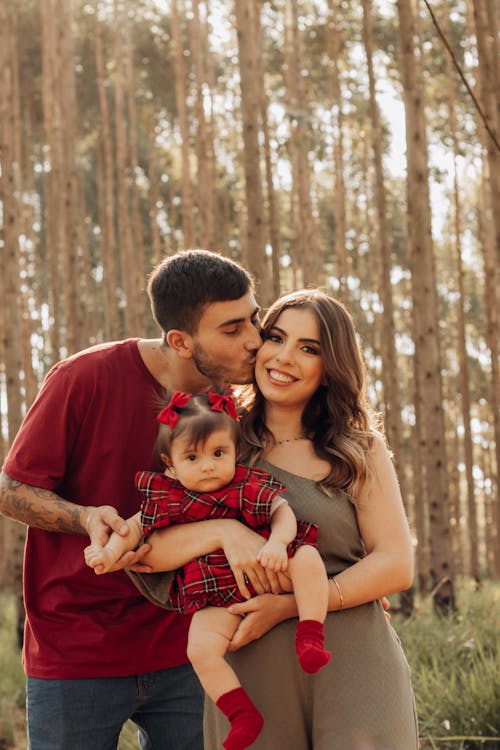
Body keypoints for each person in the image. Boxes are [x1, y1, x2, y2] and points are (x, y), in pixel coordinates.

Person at [0, 249, 278, 750]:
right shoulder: (81, 379)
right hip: (77, 649)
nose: (256, 341)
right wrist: (84, 517)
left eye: (253, 318)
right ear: (179, 340)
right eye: (233, 329)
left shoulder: (233, 403)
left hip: (192, 647)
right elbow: (11, 491)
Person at [130, 289, 419, 750]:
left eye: (309, 348)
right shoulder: (217, 442)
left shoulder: (358, 450)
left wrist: (291, 604)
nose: (284, 357)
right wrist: (225, 531)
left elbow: (395, 564)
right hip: (250, 669)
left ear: (331, 369)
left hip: (351, 659)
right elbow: (149, 551)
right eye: (276, 337)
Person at [85, 389, 331, 750]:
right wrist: (107, 554)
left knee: (308, 558)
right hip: (216, 597)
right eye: (192, 457)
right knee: (199, 649)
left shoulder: (245, 484)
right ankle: (241, 712)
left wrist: (279, 543)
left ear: (235, 452)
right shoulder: (168, 497)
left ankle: (311, 634)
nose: (207, 466)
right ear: (170, 464)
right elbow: (132, 529)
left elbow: (282, 512)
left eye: (219, 453)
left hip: (270, 564)